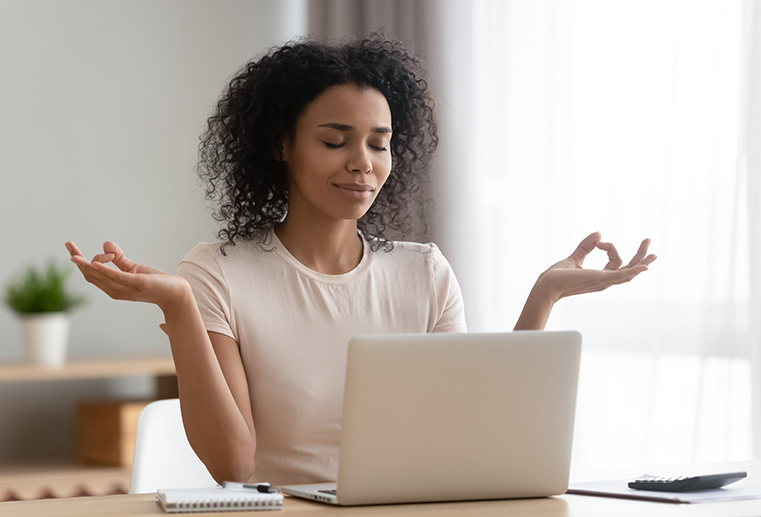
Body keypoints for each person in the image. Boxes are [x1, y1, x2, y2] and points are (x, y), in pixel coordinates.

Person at [65, 35, 656, 486]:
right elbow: (235, 466)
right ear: (281, 144)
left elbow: (473, 438)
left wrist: (543, 295)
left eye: (379, 143)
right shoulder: (216, 273)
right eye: (334, 140)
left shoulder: (423, 272)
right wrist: (178, 305)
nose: (362, 162)